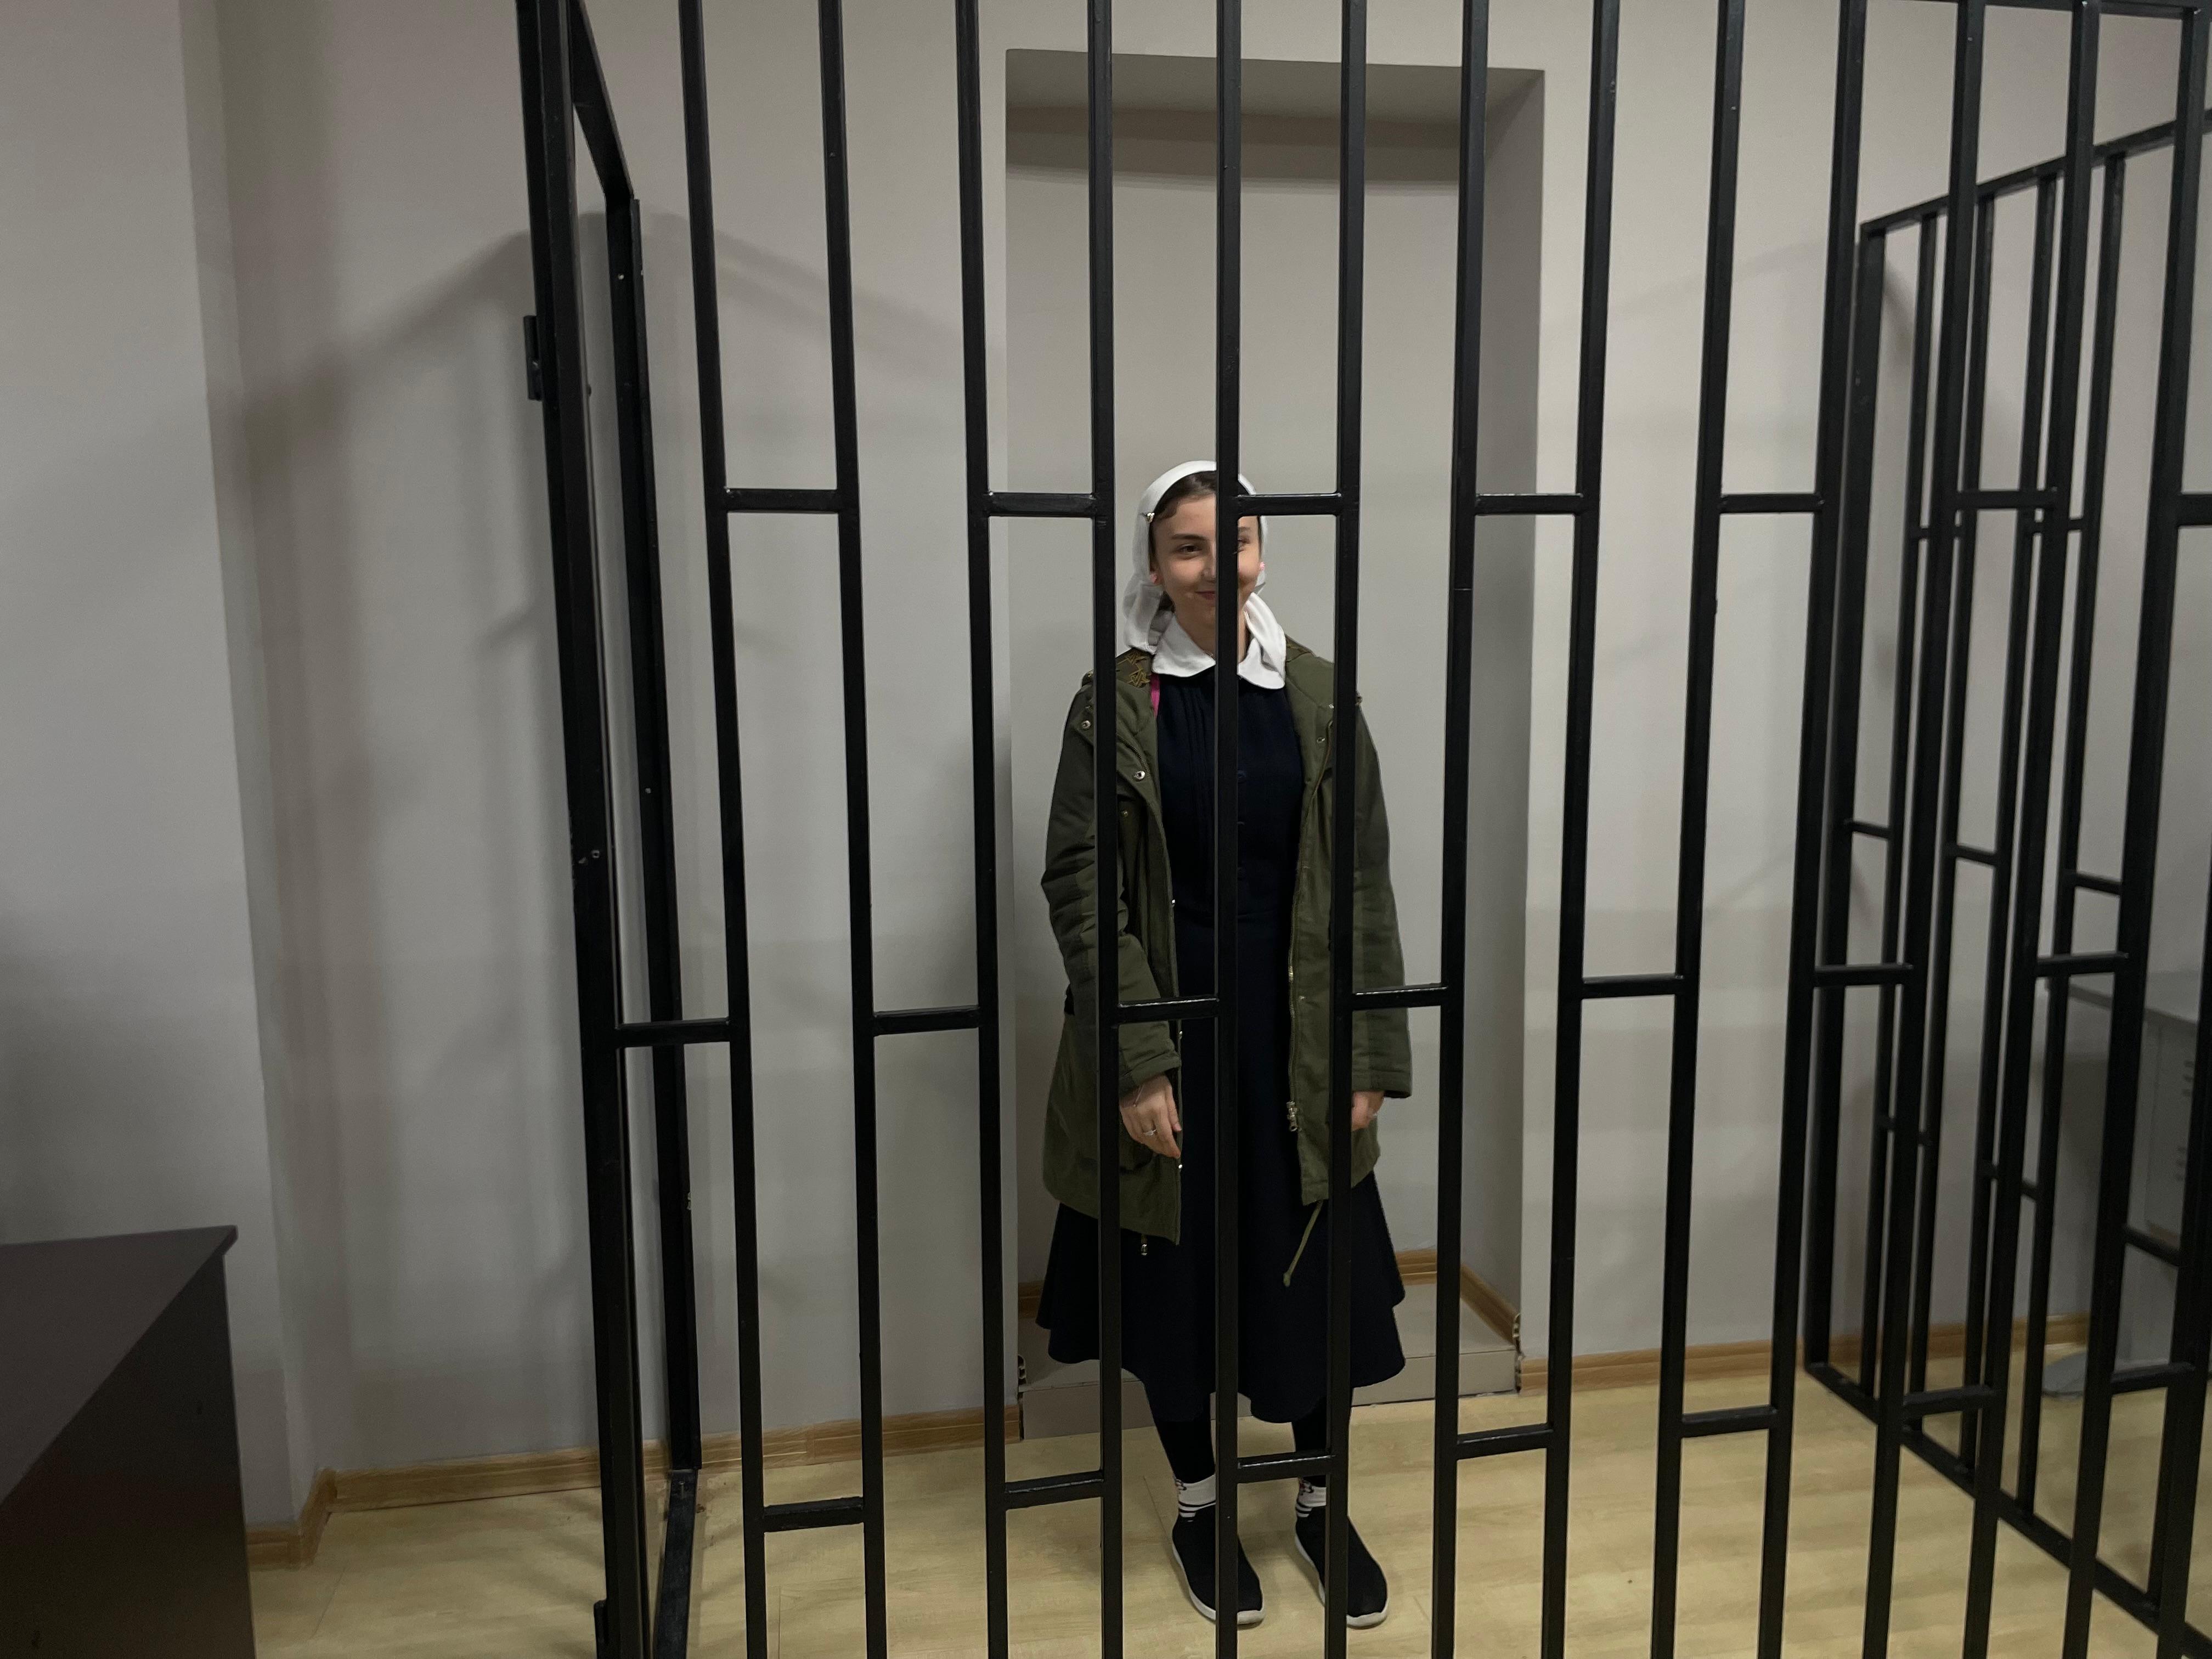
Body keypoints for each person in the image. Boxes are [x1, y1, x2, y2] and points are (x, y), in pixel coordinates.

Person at [1034, 460, 1412, 1628]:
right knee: (1179, 1284)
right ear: (1155, 566)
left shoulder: (1319, 694)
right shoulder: (1118, 703)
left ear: (1261, 553)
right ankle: (1200, 1506)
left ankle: (1316, 1502)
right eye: (1188, 546)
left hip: (1295, 1035)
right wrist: (1138, 1058)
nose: (1214, 566)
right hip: (1171, 1023)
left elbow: (1361, 879)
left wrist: (1367, 1052)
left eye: (1234, 541)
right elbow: (1082, 885)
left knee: (1310, 1278)